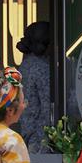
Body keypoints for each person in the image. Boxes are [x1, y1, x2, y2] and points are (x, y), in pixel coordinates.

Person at [16, 21, 53, 152]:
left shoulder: (25, 66)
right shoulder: (42, 68)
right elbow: (47, 106)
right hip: (40, 138)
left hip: (27, 133)